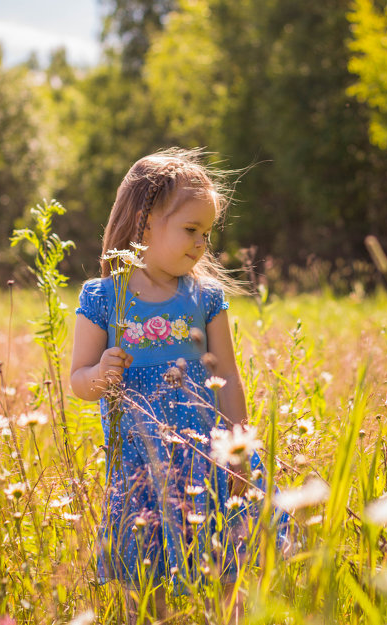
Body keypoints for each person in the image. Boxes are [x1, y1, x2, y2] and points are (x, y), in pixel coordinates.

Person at [71, 148, 288, 624]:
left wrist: (237, 447)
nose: (201, 244)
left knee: (224, 568)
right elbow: (78, 381)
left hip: (205, 457)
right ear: (144, 221)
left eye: (207, 233)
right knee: (143, 581)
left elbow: (226, 375)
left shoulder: (205, 297)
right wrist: (101, 374)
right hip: (139, 464)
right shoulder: (106, 297)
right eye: (191, 229)